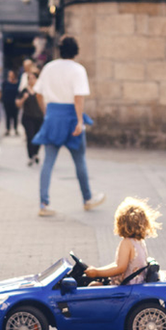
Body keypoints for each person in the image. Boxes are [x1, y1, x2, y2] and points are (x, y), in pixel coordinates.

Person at [32, 36, 106, 217]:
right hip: (71, 116)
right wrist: (80, 121)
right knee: (79, 160)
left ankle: (44, 203)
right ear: (76, 51)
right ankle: (87, 198)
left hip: (53, 115)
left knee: (48, 161)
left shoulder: (49, 67)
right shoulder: (78, 70)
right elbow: (78, 97)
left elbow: (38, 93)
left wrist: (46, 112)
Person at [84, 197, 162, 285]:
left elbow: (120, 268)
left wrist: (97, 273)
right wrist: (98, 270)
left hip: (127, 285)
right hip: (137, 282)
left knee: (92, 285)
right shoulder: (139, 241)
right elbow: (120, 263)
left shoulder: (127, 243)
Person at [17, 70, 43, 167]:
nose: (31, 80)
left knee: (38, 137)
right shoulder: (24, 90)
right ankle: (30, 155)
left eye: (33, 78)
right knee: (30, 136)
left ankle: (36, 153)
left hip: (39, 117)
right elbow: (18, 103)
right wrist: (24, 98)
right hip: (28, 117)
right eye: (30, 79)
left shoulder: (40, 91)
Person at [2, 70, 21, 137]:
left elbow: (19, 92)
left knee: (15, 116)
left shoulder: (17, 82)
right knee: (7, 116)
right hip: (7, 101)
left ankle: (15, 129)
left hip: (15, 102)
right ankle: (8, 129)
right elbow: (3, 91)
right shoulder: (5, 82)